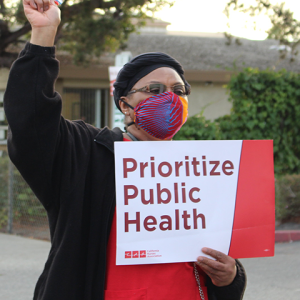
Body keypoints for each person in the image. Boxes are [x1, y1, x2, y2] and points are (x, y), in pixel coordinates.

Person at [4, 0, 246, 299]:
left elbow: (220, 257)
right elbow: (31, 121)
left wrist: (231, 275)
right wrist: (44, 34)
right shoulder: (86, 154)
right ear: (125, 105)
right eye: (155, 90)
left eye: (178, 91)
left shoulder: (200, 170)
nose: (169, 98)